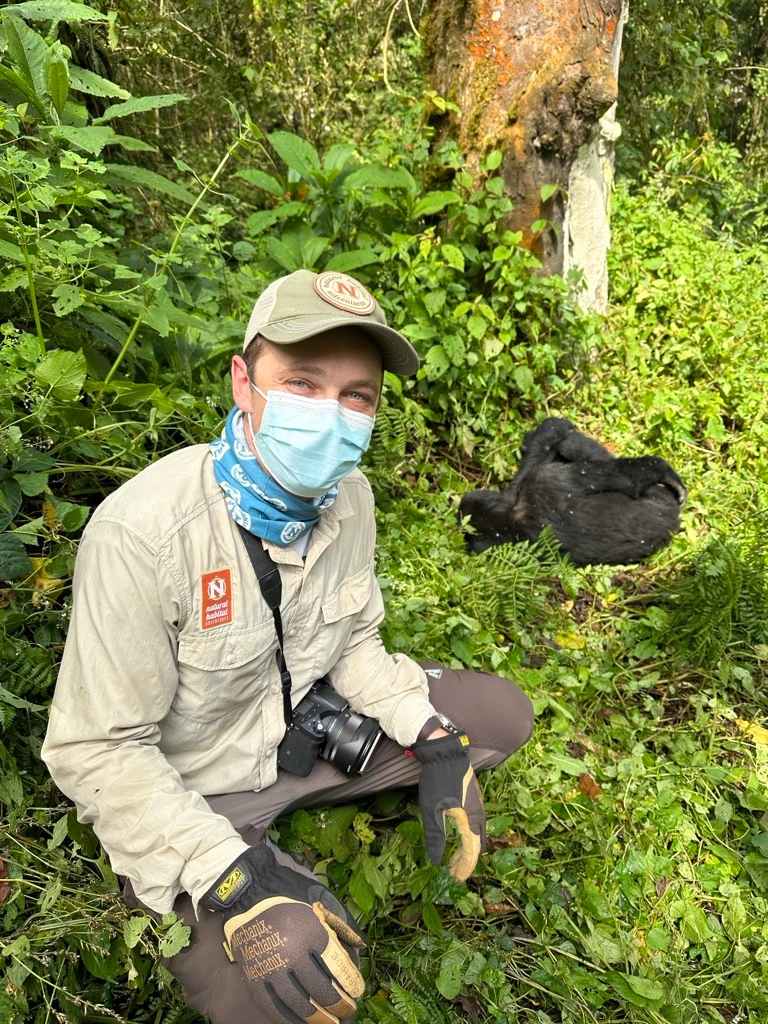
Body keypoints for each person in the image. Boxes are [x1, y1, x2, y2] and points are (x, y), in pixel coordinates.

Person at [42, 269, 535, 1024]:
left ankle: (350, 798)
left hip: (301, 741)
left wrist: (432, 738)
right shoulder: (142, 534)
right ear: (244, 383)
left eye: (357, 396)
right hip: (190, 795)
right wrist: (234, 878)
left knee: (501, 717)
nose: (331, 415)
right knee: (292, 997)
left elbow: (356, 641)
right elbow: (96, 751)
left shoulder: (351, 497)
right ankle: (245, 870)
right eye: (302, 383)